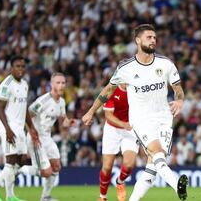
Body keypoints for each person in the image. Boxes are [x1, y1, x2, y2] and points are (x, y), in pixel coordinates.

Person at [82, 24, 188, 201]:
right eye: (149, 37)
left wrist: (180, 100)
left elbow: (178, 88)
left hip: (164, 117)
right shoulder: (126, 68)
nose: (153, 40)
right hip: (141, 119)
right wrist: (91, 111)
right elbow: (107, 90)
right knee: (157, 152)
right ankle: (177, 185)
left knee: (153, 167)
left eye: (154, 37)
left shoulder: (166, 64)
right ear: (138, 40)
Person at [0, 55, 41, 201]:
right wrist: (8, 129)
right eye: (18, 66)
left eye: (23, 66)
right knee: (11, 161)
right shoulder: (6, 84)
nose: (21, 69)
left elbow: (24, 109)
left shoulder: (24, 84)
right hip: (8, 127)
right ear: (11, 68)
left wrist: (32, 128)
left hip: (20, 128)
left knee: (21, 161)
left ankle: (2, 190)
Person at [18, 73, 77, 201]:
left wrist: (69, 122)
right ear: (51, 84)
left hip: (47, 138)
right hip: (36, 138)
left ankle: (45, 197)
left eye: (63, 82)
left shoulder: (61, 102)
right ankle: (16, 170)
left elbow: (63, 119)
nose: (61, 85)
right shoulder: (43, 101)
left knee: (56, 166)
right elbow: (26, 114)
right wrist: (32, 132)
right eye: (58, 82)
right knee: (46, 172)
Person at [98, 84, 139, 201]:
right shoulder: (112, 90)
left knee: (129, 165)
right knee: (107, 167)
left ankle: (120, 182)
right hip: (112, 130)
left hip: (130, 129)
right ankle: (102, 197)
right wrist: (123, 124)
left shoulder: (137, 89)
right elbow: (108, 115)